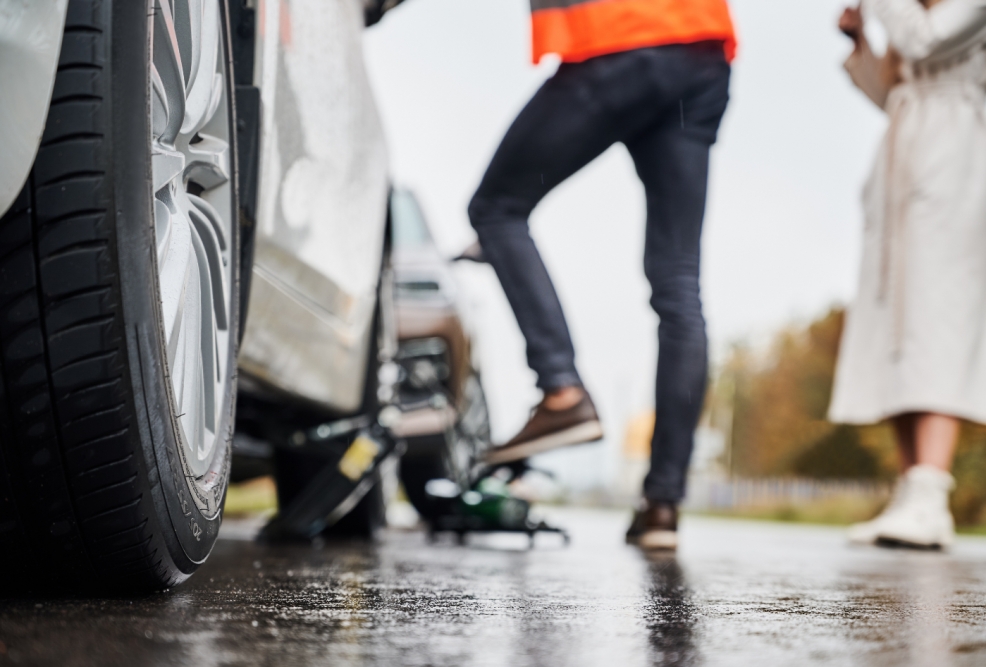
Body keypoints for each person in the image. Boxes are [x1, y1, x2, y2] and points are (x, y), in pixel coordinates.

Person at [466, 0, 736, 550]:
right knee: (680, 283)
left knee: (497, 208)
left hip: (616, 38)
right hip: (701, 48)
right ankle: (663, 503)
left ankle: (561, 390)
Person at [832, 0, 986, 549]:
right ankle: (909, 491)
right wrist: (861, 46)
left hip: (956, 164)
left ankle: (931, 494)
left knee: (937, 317)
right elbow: (892, 93)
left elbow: (925, 41)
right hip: (902, 161)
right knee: (893, 325)